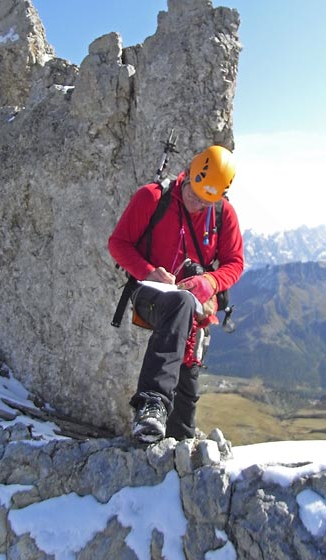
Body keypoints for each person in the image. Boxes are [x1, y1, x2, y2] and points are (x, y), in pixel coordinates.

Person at [108, 145, 244, 443]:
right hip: (151, 295)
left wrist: (210, 281)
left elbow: (235, 262)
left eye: (205, 202)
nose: (196, 205)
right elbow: (119, 243)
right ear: (188, 176)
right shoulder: (153, 198)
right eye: (192, 195)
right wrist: (148, 271)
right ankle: (151, 403)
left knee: (187, 393)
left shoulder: (222, 214)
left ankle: (177, 444)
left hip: (193, 311)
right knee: (179, 302)